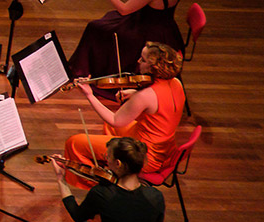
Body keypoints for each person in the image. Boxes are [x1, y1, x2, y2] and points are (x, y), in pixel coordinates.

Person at [63, 42, 187, 182]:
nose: (138, 61)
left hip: (142, 155)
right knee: (110, 127)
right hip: (165, 149)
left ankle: (103, 182)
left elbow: (115, 119)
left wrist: (89, 95)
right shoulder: (177, 83)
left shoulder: (146, 96)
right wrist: (135, 94)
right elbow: (161, 106)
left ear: (153, 67)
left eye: (143, 60)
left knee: (74, 143)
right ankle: (114, 166)